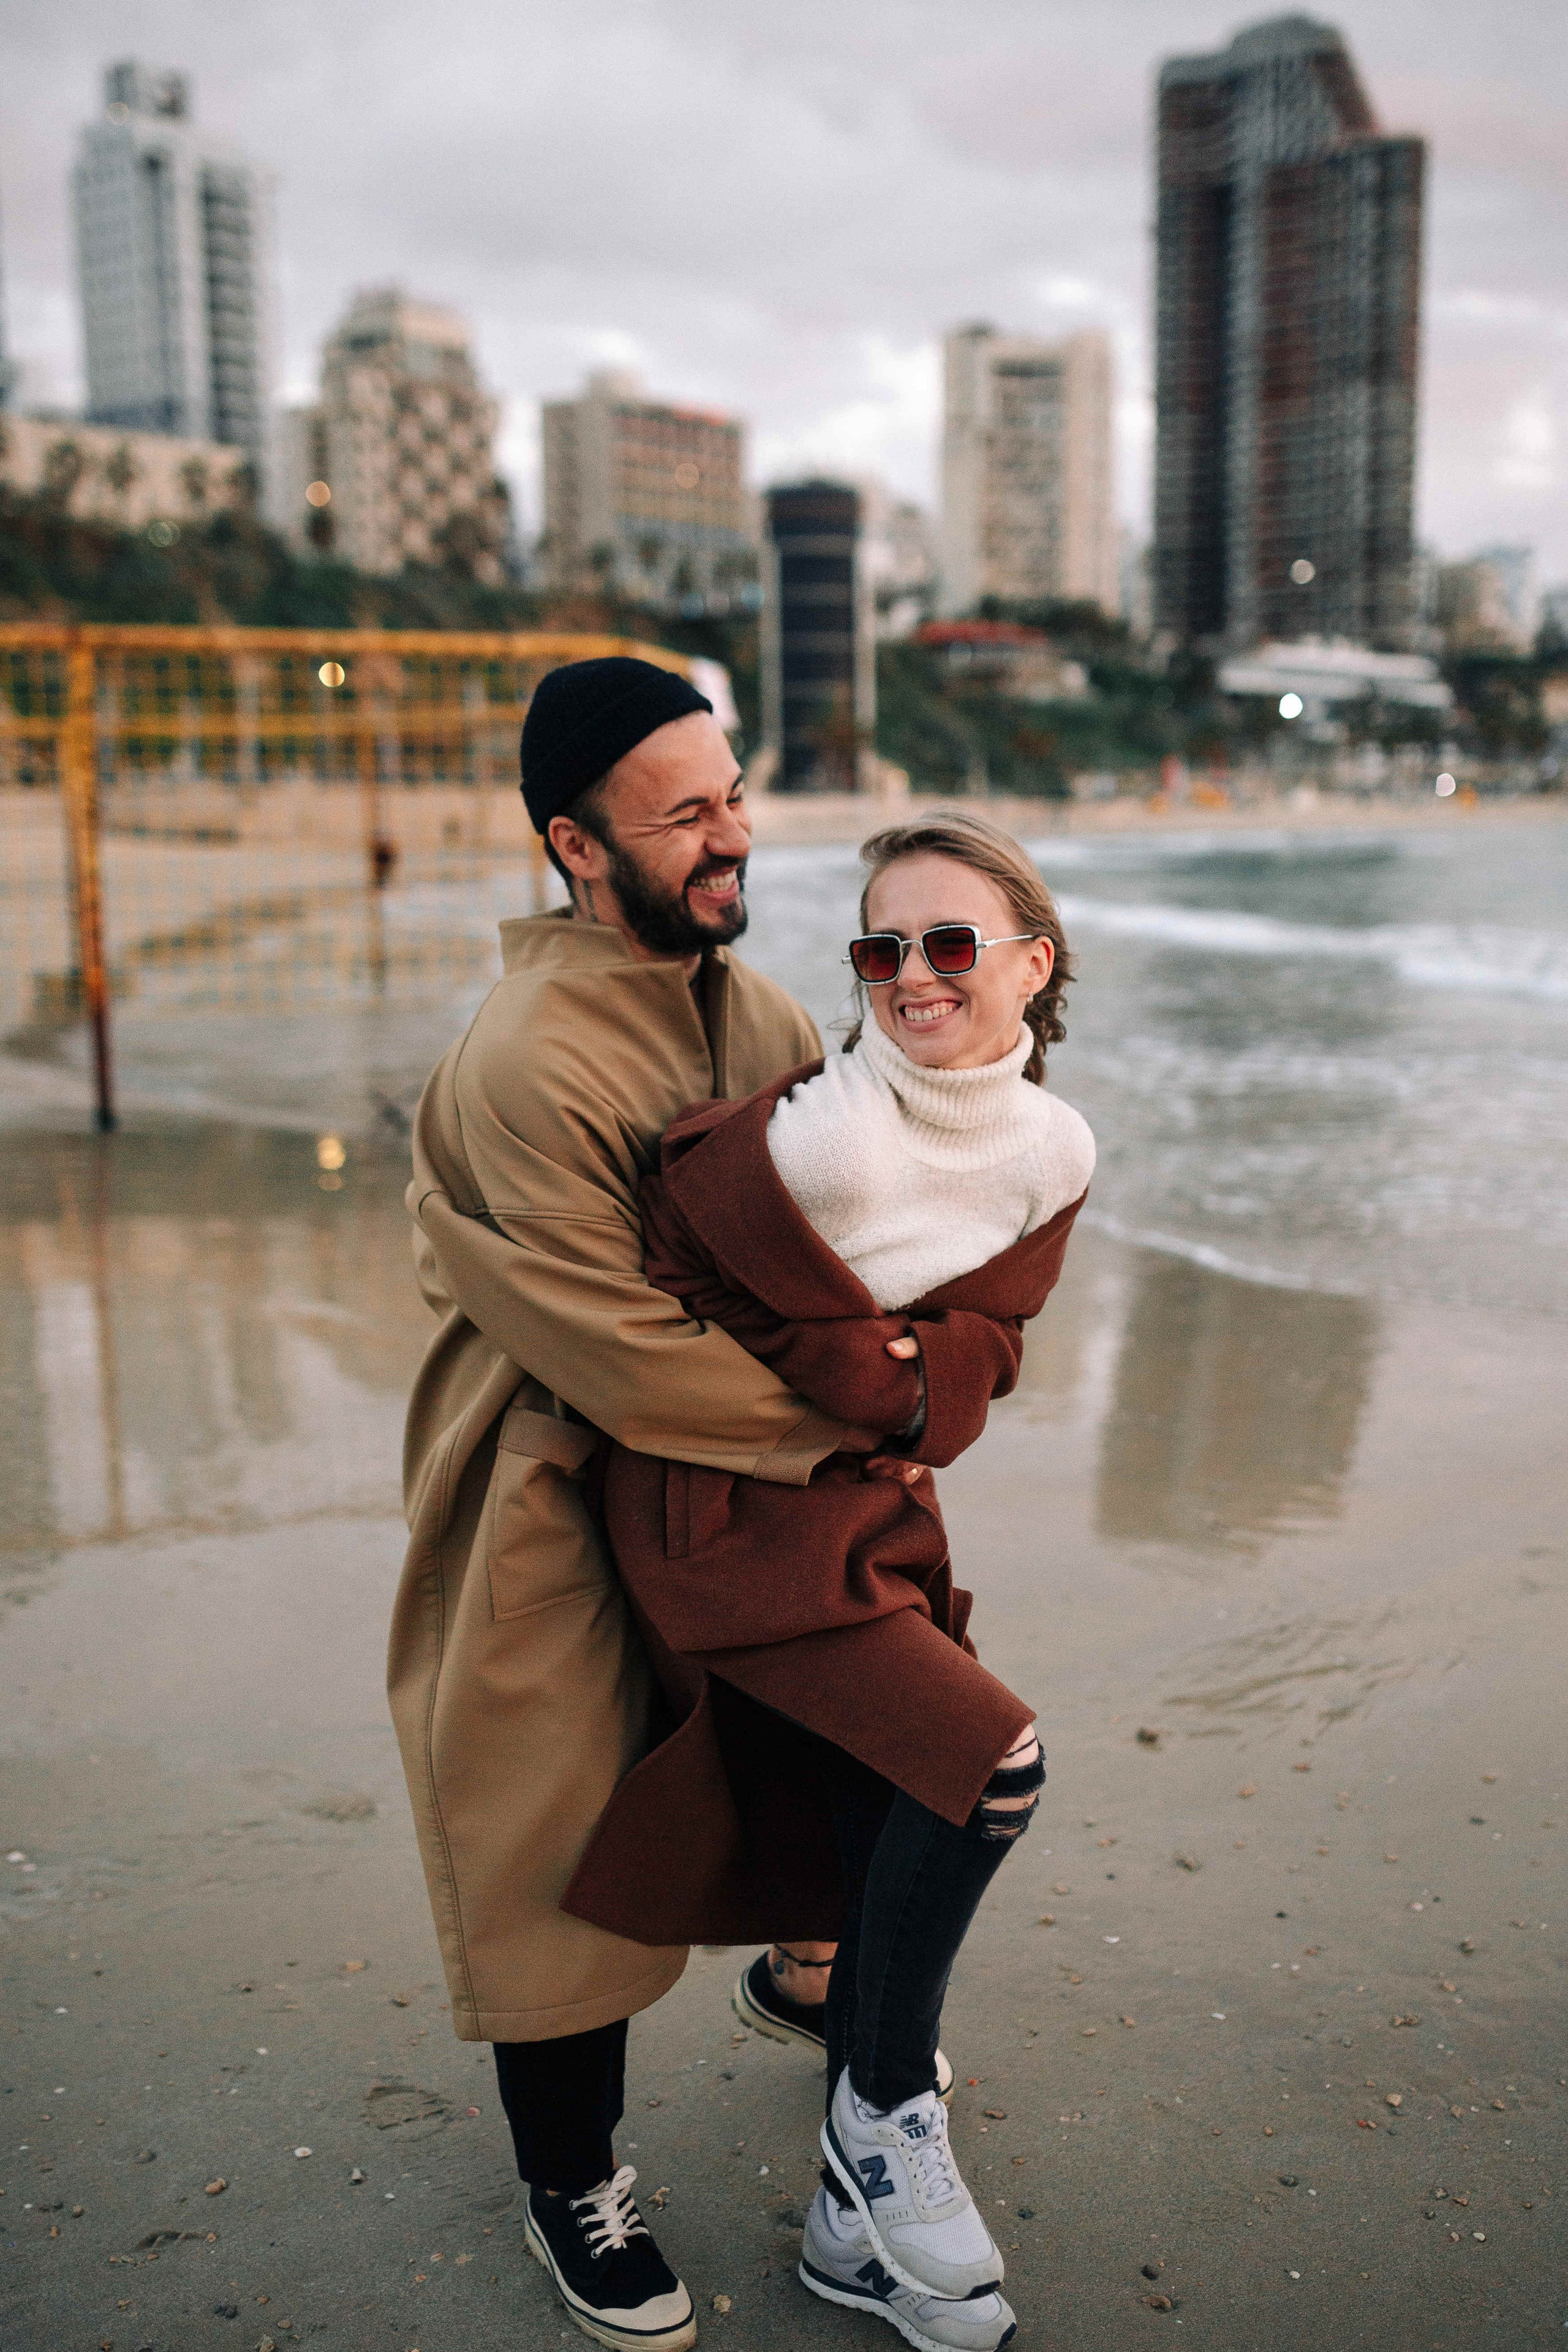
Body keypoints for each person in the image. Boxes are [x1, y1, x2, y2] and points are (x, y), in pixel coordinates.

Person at [390, 655, 899, 2352]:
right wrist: (852, 1419)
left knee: (842, 1725)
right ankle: (571, 2181)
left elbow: (834, 1238)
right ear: (576, 843)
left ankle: (807, 1969)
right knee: (553, 1823)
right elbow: (618, 1353)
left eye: (734, 792)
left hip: (737, 1479)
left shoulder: (756, 1015)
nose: (732, 835)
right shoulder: (521, 1061)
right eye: (685, 813)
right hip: (546, 1475)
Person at [565, 812, 1093, 2349]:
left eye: (950, 944)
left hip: (863, 1516)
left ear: (1030, 964)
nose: (912, 978)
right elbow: (686, 1295)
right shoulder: (813, 1136)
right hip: (719, 1515)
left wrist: (899, 1379)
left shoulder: (1051, 1149)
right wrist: (897, 1379)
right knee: (992, 1763)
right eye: (880, 947)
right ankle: (878, 2126)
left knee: (902, 1793)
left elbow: (987, 1350)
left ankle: (849, 2235)